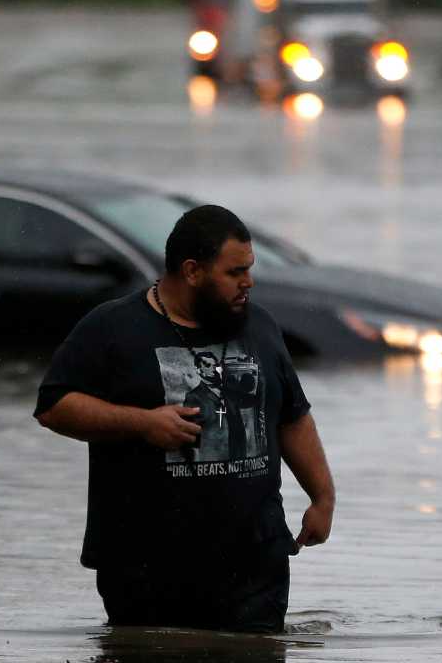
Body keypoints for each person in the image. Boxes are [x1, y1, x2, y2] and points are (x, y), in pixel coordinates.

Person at [34, 204, 335, 633]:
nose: (248, 282)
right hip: (147, 567)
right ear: (192, 270)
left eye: (249, 269)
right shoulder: (113, 327)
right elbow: (53, 407)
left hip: (254, 563)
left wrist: (322, 497)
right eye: (234, 272)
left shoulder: (260, 326)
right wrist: (142, 423)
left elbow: (292, 416)